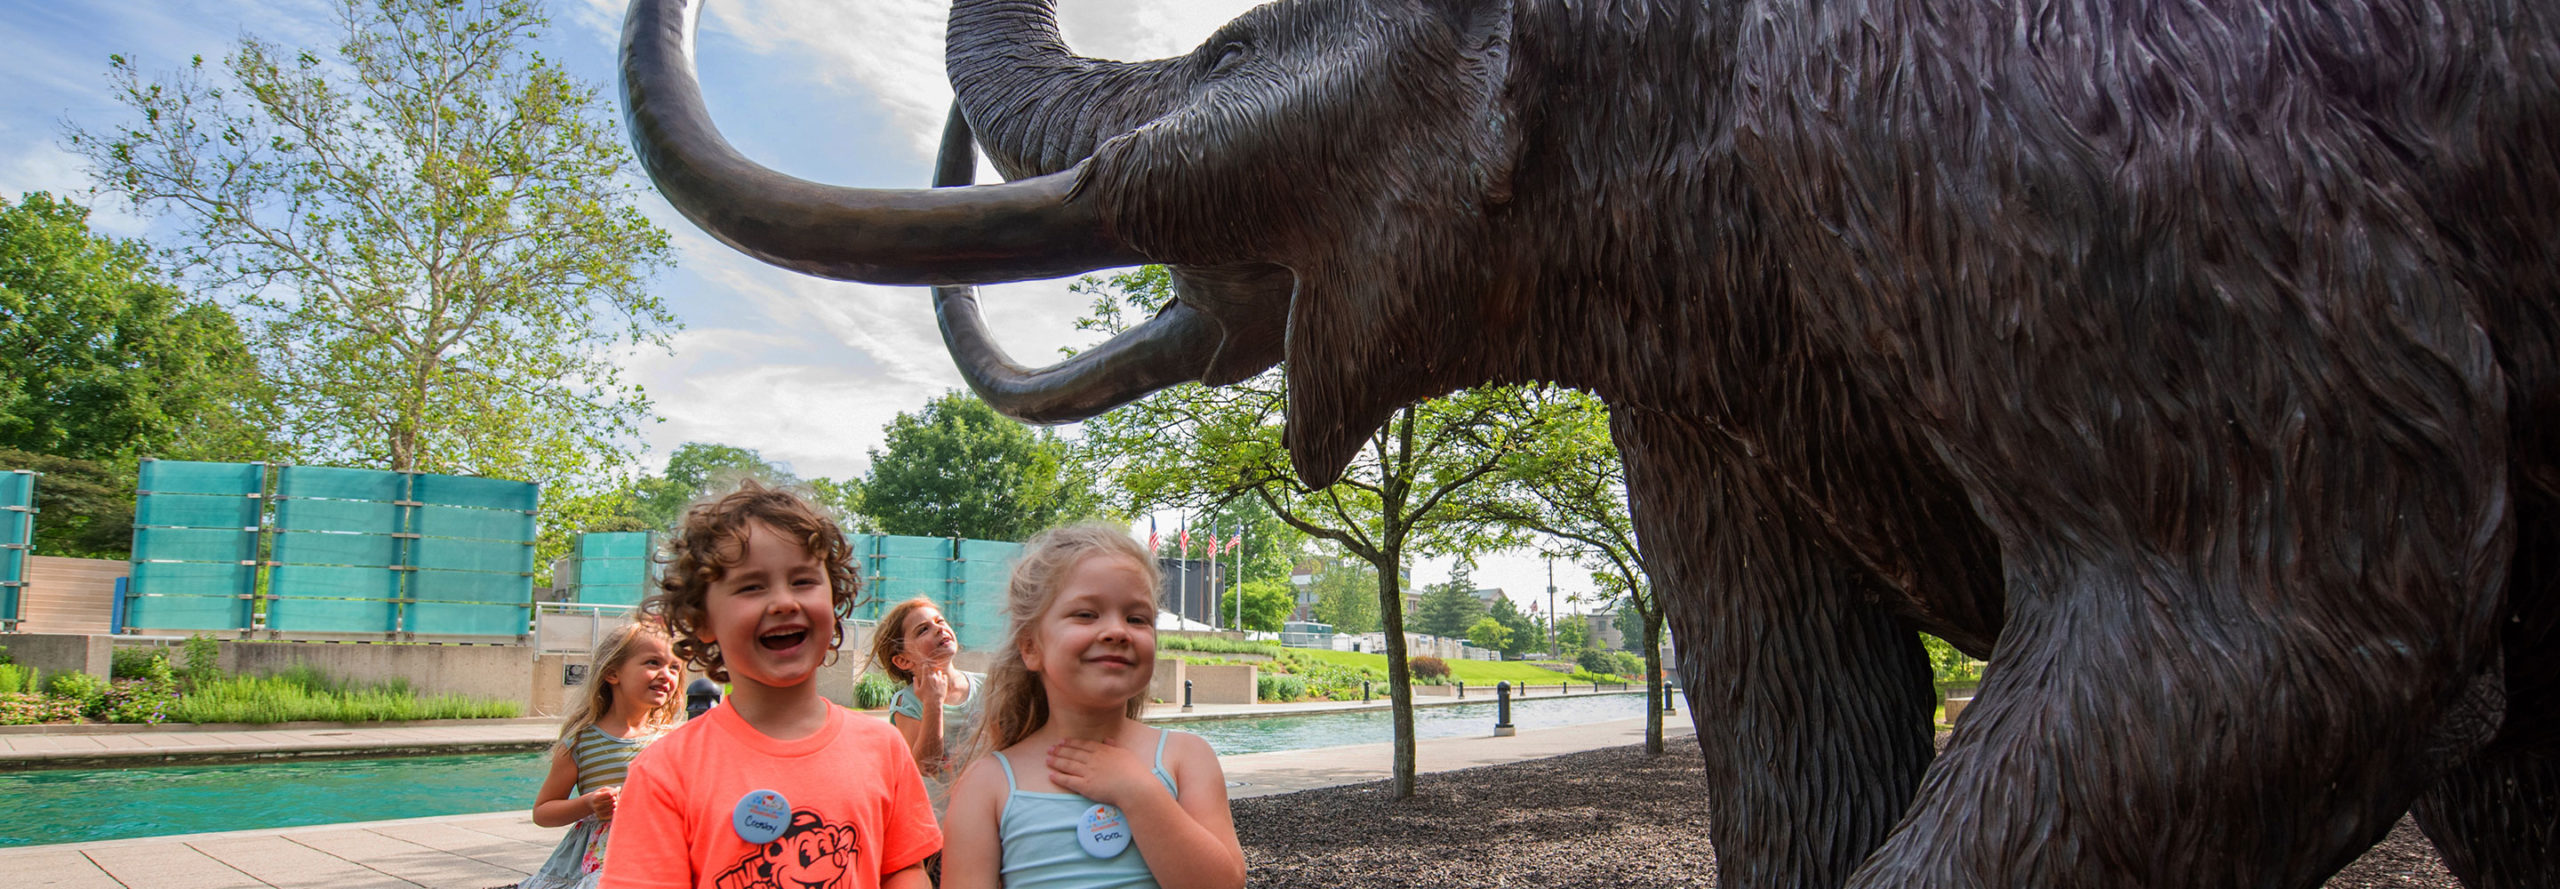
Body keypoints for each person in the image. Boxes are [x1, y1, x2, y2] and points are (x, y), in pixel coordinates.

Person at [602, 481, 940, 889]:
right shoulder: (665, 771)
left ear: (834, 602)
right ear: (702, 622)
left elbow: (903, 869)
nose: (783, 601)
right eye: (751, 586)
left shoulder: (883, 749)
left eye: (802, 581)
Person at [939, 523, 1246, 889]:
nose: (1117, 631)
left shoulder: (1185, 759)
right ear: (1031, 647)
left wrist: (1138, 792)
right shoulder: (987, 784)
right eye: (1086, 614)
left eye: (1137, 618)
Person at [524, 620, 684, 889]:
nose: (666, 674)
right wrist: (587, 804)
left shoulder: (673, 741)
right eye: (653, 663)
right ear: (612, 674)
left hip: (660, 848)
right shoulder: (581, 742)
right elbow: (543, 811)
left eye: (674, 667)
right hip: (604, 858)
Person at [869, 597, 982, 813]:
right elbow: (925, 766)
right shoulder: (909, 702)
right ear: (903, 661)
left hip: (986, 813)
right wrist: (933, 702)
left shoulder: (989, 685)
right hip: (938, 820)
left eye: (940, 621)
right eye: (923, 630)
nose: (939, 629)